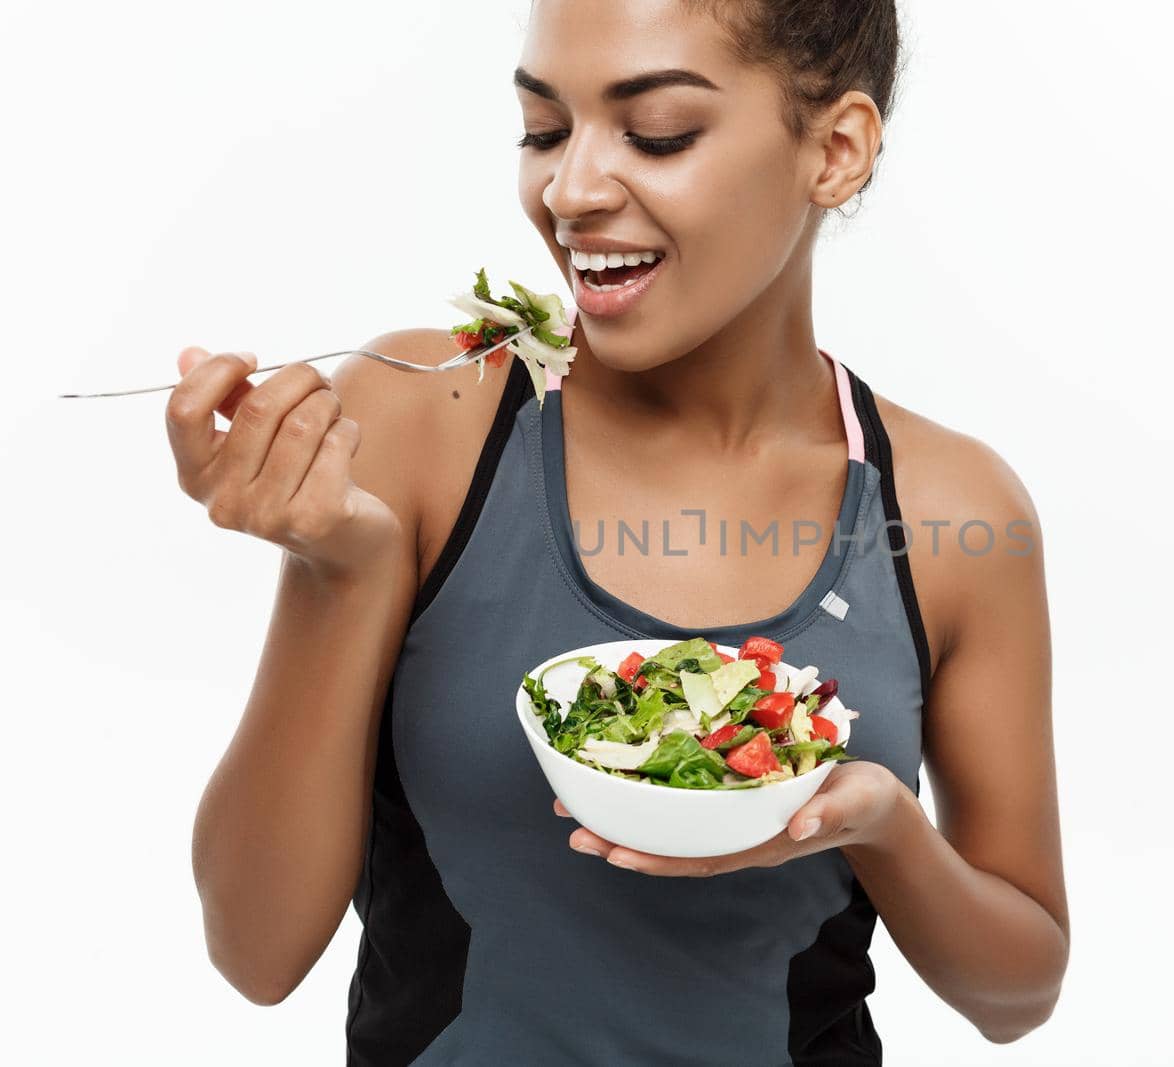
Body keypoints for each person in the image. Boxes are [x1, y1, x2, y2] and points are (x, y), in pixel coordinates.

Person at [167, 1, 1068, 1063]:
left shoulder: (949, 509)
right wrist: (338, 569)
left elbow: (1018, 993)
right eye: (544, 131)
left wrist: (879, 824)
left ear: (834, 150)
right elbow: (253, 952)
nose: (572, 190)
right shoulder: (422, 415)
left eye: (657, 135)